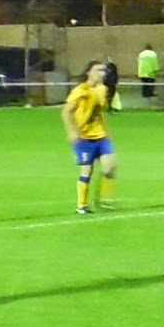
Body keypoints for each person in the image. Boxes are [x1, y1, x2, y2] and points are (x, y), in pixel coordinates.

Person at [61, 61, 116, 215]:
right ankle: (81, 205)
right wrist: (71, 132)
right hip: (84, 137)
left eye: (104, 71)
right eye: (98, 70)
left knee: (110, 166)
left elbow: (99, 113)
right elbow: (66, 112)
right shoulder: (80, 90)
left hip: (100, 135)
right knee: (87, 170)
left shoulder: (102, 90)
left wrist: (106, 131)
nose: (102, 73)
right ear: (89, 72)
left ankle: (105, 200)